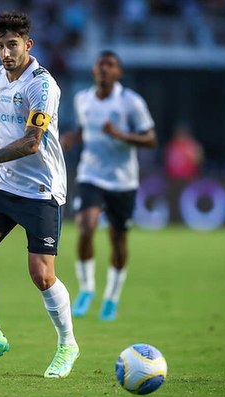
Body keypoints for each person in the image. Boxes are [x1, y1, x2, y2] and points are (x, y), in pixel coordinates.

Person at [0, 11, 79, 378]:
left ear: (28, 45)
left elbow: (32, 142)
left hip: (42, 190)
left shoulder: (42, 86)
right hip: (7, 185)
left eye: (13, 45)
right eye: (0, 45)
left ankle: (68, 344)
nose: (6, 52)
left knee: (41, 274)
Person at [65, 50, 157, 321]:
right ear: (94, 70)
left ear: (118, 73)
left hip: (122, 180)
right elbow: (85, 129)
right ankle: (86, 289)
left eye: (110, 65)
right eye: (100, 65)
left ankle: (112, 297)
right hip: (91, 174)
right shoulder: (82, 99)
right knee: (86, 226)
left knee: (118, 239)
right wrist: (72, 138)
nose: (104, 69)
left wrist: (120, 135)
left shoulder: (131, 102)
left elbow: (151, 139)